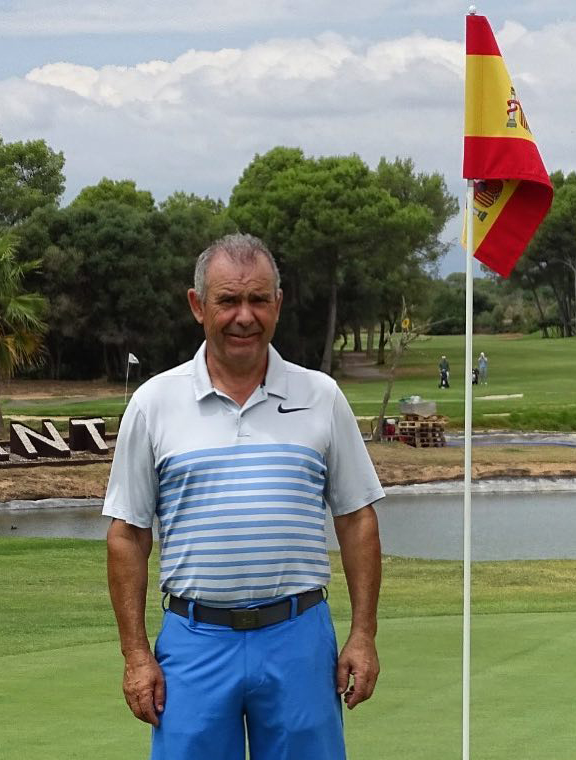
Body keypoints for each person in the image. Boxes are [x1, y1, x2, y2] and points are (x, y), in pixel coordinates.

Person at [104, 233, 385, 760]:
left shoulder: (320, 396)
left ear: (278, 304)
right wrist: (136, 654)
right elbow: (128, 535)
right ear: (198, 306)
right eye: (228, 300)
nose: (244, 316)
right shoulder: (153, 403)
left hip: (298, 637)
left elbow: (356, 520)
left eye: (258, 299)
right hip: (195, 640)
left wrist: (363, 635)